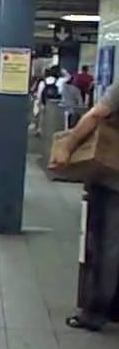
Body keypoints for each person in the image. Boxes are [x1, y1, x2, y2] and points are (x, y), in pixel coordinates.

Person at [50, 83, 119, 330]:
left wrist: (67, 146)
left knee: (105, 247)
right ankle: (113, 308)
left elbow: (96, 114)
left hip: (112, 179)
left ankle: (95, 312)